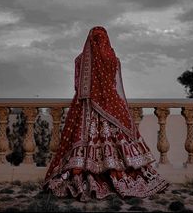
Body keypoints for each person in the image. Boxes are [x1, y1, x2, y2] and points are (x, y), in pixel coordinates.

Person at [43, 26, 168, 201]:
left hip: (86, 108)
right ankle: (115, 179)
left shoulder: (80, 60)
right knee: (115, 142)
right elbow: (114, 85)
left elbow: (78, 87)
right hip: (112, 107)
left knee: (87, 142)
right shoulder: (113, 59)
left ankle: (92, 179)